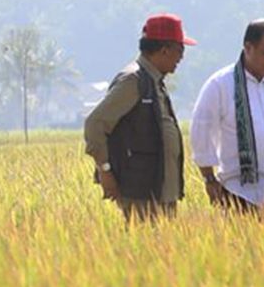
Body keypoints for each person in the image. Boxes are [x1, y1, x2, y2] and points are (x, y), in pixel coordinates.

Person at [83, 13, 196, 222]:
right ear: (165, 49)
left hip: (160, 192)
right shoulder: (133, 81)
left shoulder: (154, 81)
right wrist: (105, 170)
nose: (182, 57)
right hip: (142, 193)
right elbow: (94, 124)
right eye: (180, 50)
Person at [190, 19, 264, 212]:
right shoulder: (221, 84)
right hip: (237, 192)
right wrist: (209, 179)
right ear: (248, 47)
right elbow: (201, 131)